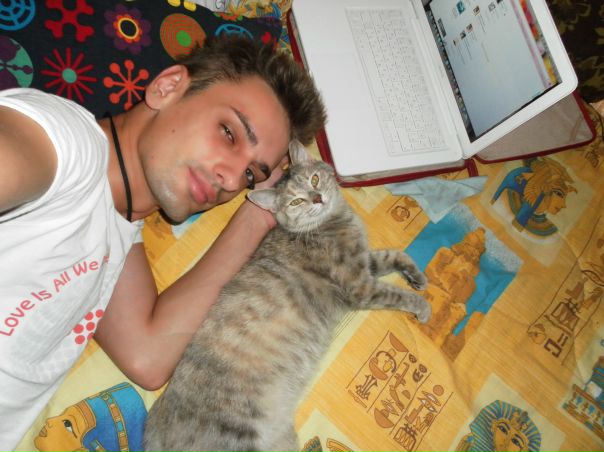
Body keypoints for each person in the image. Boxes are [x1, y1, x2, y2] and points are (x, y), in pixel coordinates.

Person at [0, 35, 326, 449]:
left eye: (250, 174)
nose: (230, 179)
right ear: (167, 87)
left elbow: (148, 355)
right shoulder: (64, 144)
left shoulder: (116, 233)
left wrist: (263, 209)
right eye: (228, 133)